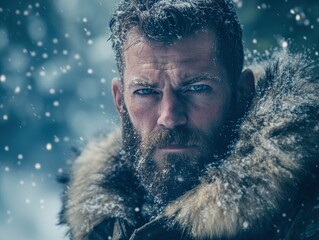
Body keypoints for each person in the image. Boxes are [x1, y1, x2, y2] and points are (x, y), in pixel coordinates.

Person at [59, 0, 319, 239]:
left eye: (196, 88)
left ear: (242, 93)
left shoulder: (306, 212)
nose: (170, 117)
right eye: (146, 92)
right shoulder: (102, 226)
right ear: (120, 101)